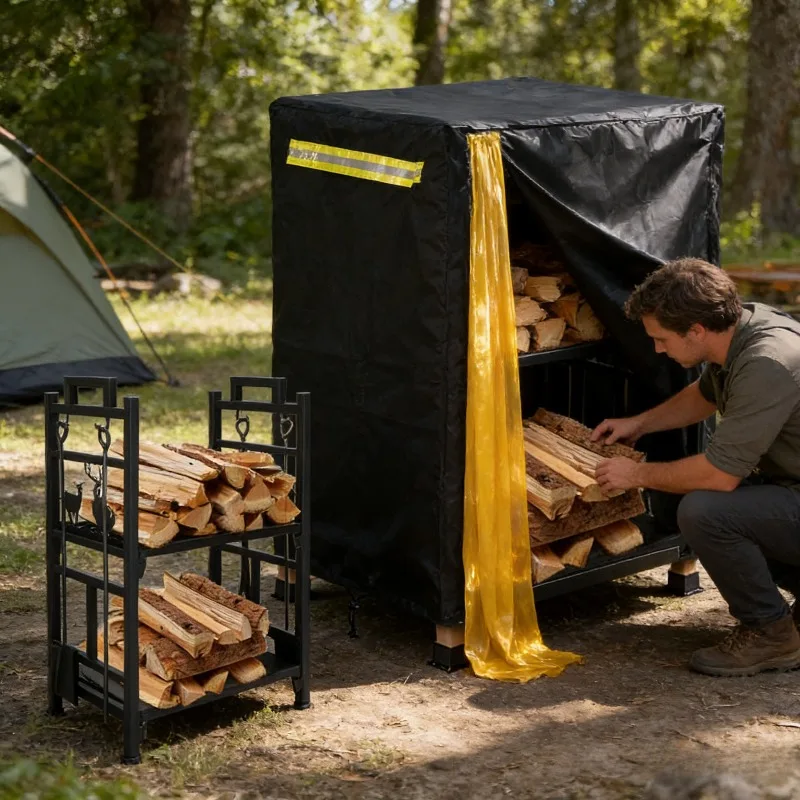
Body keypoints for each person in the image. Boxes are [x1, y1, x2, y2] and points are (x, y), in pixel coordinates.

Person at [591, 258, 800, 677]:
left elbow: (718, 476)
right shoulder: (744, 329)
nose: (657, 348)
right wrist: (640, 424)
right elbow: (705, 394)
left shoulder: (768, 360)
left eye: (662, 338)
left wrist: (635, 475)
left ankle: (771, 634)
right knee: (707, 506)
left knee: (704, 512)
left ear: (697, 330)